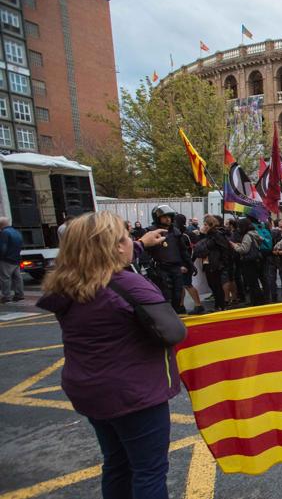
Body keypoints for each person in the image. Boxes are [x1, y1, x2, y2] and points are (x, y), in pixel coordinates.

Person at [37, 212, 184, 499]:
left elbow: (113, 259)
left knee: (117, 463)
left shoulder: (70, 282)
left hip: (89, 389)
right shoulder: (129, 284)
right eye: (127, 238)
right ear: (115, 246)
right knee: (149, 470)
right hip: (132, 393)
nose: (131, 242)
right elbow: (173, 332)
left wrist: (141, 242)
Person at [145, 206, 194, 315]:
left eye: (169, 217)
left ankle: (176, 314)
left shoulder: (176, 232)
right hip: (160, 267)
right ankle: (167, 316)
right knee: (166, 294)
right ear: (158, 218)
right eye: (164, 217)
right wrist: (148, 266)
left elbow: (183, 250)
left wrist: (190, 265)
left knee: (178, 293)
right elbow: (145, 250)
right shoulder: (151, 231)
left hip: (176, 267)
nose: (168, 219)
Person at [196, 215, 232, 311]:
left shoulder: (217, 235)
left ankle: (220, 305)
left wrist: (222, 263)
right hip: (210, 263)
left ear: (210, 225)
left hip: (216, 264)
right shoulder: (209, 235)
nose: (204, 227)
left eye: (205, 225)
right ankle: (218, 305)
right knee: (213, 285)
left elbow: (224, 249)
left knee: (216, 286)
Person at [173, 214, 205, 315]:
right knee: (182, 285)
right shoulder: (184, 233)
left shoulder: (184, 234)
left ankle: (198, 305)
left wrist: (188, 263)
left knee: (187, 284)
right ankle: (181, 306)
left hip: (185, 264)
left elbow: (191, 250)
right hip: (184, 263)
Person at [229, 217, 265, 306]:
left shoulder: (247, 235)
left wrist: (234, 246)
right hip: (256, 260)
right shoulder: (254, 233)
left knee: (252, 283)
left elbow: (243, 250)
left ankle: (256, 302)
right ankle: (259, 300)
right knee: (255, 282)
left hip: (249, 261)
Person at [0, 217, 24, 303]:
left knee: (5, 278)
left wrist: (1, 256)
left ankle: (6, 296)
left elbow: (3, 247)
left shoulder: (4, 233)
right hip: (16, 258)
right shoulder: (16, 232)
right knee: (17, 277)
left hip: (7, 259)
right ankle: (19, 295)